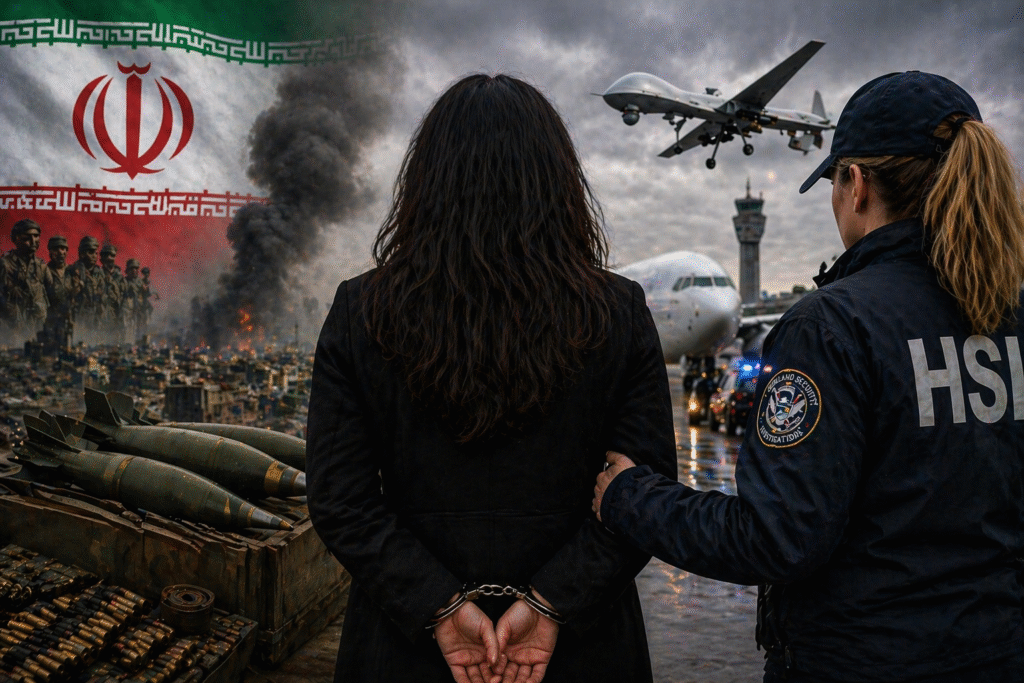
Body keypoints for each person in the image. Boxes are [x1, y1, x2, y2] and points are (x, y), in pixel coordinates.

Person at [593, 71, 1024, 682]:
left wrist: (630, 497)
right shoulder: (1009, 314)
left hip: (858, 660)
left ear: (855, 183)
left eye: (832, 182)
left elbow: (776, 538)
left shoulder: (832, 325)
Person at [306, 74, 676, 683]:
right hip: (581, 653)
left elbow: (340, 500)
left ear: (425, 182)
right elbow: (647, 493)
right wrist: (554, 600)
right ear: (558, 181)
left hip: (406, 653)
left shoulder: (360, 311)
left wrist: (440, 605)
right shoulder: (618, 311)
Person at [0, 219, 50, 344]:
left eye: (36, 236)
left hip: (36, 327)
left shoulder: (41, 266)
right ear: (16, 239)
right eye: (27, 237)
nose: (33, 241)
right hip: (11, 329)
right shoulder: (5, 264)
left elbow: (50, 296)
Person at [43, 235, 72, 351]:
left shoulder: (72, 271)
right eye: (56, 249)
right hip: (50, 320)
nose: (61, 252)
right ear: (50, 251)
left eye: (63, 248)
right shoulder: (44, 271)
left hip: (68, 320)